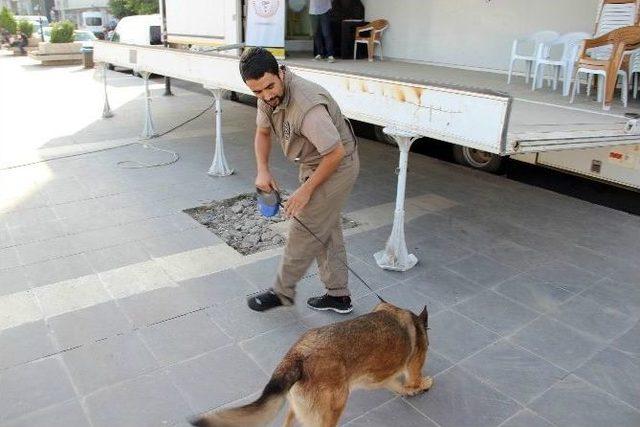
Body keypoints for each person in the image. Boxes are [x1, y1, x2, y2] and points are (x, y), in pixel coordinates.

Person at [240, 47, 359, 313]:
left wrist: (306, 190)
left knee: (304, 227)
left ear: (280, 72)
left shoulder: (307, 104)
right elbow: (262, 132)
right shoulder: (265, 96)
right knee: (325, 228)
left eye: (270, 86)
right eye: (258, 91)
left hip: (337, 164)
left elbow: (335, 153)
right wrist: (263, 170)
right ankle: (339, 296)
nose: (266, 95)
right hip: (314, 160)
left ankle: (282, 292)